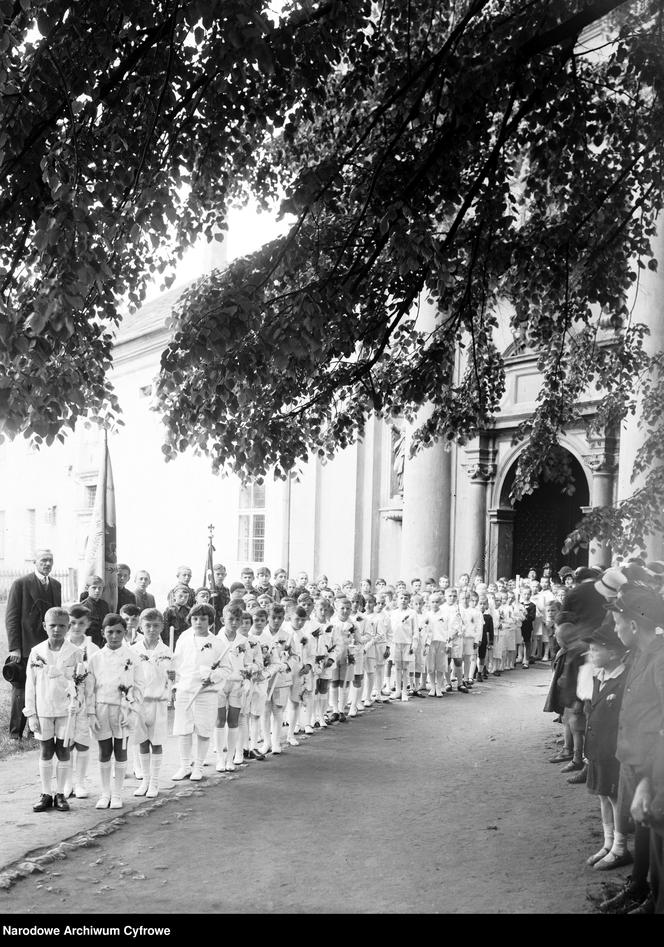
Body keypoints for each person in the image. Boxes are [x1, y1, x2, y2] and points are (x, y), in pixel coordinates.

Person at [603, 584, 664, 914]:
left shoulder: (660, 660)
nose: (615, 629)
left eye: (617, 623)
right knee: (642, 827)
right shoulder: (642, 653)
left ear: (635, 625)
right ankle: (639, 886)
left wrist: (649, 776)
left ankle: (653, 895)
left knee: (655, 831)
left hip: (654, 765)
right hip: (636, 757)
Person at [583, 620, 631, 871]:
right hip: (597, 749)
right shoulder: (598, 676)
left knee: (615, 797)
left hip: (613, 750)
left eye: (595, 651)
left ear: (613, 652)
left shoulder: (623, 681)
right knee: (603, 795)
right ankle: (608, 842)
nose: (591, 655)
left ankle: (620, 847)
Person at [24, 607, 82, 813]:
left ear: (68, 627)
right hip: (44, 708)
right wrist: (31, 713)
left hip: (66, 709)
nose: (57, 629)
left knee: (63, 750)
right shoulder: (37, 652)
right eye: (52, 625)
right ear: (44, 626)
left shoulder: (75, 652)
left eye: (62, 626)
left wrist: (77, 700)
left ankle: (60, 794)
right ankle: (46, 793)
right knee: (46, 750)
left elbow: (80, 682)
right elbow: (30, 684)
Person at [86, 614, 145, 809]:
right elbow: (90, 688)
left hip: (123, 710)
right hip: (102, 708)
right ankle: (105, 793)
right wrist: (91, 713)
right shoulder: (95, 658)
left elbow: (139, 685)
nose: (114, 636)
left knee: (121, 750)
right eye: (110, 632)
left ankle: (117, 794)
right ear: (103, 633)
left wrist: (132, 710)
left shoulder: (132, 656)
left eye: (119, 631)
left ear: (125, 632)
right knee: (104, 751)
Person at [5, 549, 62, 740]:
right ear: (35, 562)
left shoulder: (55, 585)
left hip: (47, 646)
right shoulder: (21, 584)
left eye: (50, 560)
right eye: (43, 560)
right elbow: (12, 617)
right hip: (25, 645)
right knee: (21, 688)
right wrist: (15, 647)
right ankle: (15, 733)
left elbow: (57, 616)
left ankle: (34, 731)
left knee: (42, 687)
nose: (47, 564)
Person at [171, 603, 226, 781]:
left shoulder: (217, 643)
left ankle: (199, 767)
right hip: (185, 689)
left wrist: (213, 676)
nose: (199, 622)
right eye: (195, 619)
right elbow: (177, 664)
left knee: (203, 729)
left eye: (203, 619)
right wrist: (175, 682)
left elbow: (226, 669)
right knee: (184, 729)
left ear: (210, 621)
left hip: (206, 692)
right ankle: (185, 765)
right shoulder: (184, 639)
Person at [130, 609, 174, 797]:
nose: (152, 629)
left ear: (162, 627)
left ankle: (155, 782)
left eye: (156, 625)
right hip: (140, 703)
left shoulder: (166, 651)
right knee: (142, 741)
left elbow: (172, 677)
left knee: (156, 742)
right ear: (141, 626)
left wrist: (172, 678)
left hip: (158, 702)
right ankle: (145, 781)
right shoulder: (133, 650)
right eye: (147, 625)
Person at [65, 604, 100, 798]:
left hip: (85, 701)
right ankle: (67, 782)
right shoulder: (63, 644)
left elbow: (94, 680)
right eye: (72, 623)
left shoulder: (92, 648)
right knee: (67, 742)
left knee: (82, 742)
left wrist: (91, 706)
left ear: (87, 624)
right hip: (66, 702)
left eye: (81, 623)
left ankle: (80, 783)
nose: (76, 627)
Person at [79, 575, 110, 648]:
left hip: (103, 642)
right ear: (87, 588)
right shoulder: (82, 607)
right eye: (94, 587)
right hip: (89, 644)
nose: (97, 591)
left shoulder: (104, 605)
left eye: (100, 588)